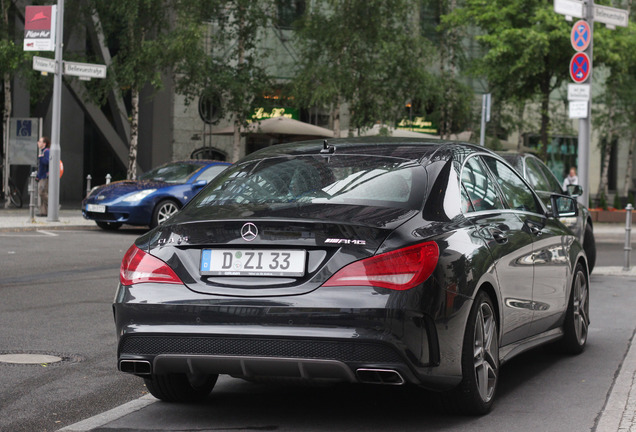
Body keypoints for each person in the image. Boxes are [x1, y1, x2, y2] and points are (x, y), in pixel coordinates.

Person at [36, 136, 50, 217]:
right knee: (43, 193)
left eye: (40, 141)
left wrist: (41, 158)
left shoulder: (46, 151)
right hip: (42, 176)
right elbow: (41, 167)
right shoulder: (43, 151)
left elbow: (47, 162)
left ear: (44, 144)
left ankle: (53, 205)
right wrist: (38, 176)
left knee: (42, 192)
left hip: (45, 176)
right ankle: (44, 212)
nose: (38, 143)